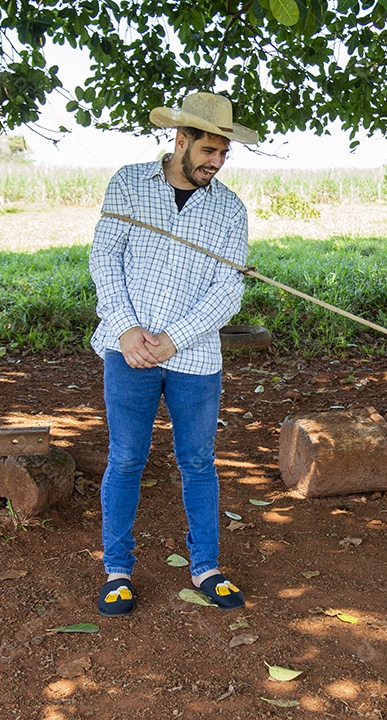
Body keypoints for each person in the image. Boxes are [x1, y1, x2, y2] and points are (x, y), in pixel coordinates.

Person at [88, 91, 259, 617]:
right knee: (126, 459)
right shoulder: (129, 184)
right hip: (128, 349)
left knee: (198, 461)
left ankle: (205, 565)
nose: (216, 162)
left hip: (195, 356)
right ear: (180, 140)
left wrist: (174, 338)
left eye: (224, 154)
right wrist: (125, 328)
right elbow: (104, 257)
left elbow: (227, 292)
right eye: (208, 150)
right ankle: (117, 569)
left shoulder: (229, 209)